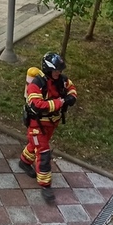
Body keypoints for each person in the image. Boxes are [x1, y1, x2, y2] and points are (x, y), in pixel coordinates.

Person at [20, 52, 78, 203]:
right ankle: (46, 186)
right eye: (56, 71)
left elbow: (71, 87)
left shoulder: (61, 80)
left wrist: (72, 96)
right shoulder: (37, 85)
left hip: (51, 124)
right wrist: (61, 102)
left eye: (60, 71)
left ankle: (24, 162)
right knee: (44, 152)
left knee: (36, 145)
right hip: (37, 125)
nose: (59, 73)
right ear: (48, 70)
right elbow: (37, 105)